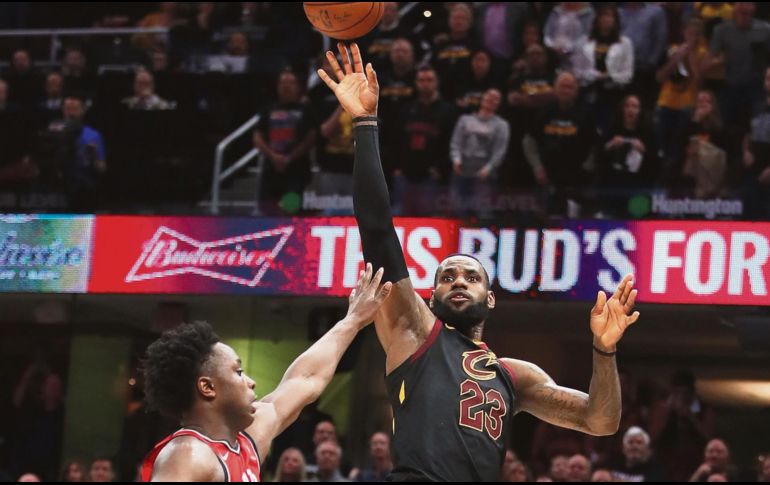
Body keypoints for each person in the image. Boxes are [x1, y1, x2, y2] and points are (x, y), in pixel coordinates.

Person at [317, 42, 641, 483]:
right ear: (431, 295)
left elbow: (599, 421)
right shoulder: (415, 331)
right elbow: (376, 229)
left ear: (490, 298)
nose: (458, 281)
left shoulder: (515, 376)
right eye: (447, 276)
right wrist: (365, 122)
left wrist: (604, 351)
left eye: (471, 277)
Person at [140, 265, 392, 481]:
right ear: (208, 387)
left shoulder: (247, 440)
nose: (251, 381)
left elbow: (304, 379)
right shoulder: (188, 454)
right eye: (238, 372)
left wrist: (353, 320)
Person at [392, 65, 456, 216]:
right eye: (421, 80)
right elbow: (396, 140)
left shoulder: (448, 111)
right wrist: (396, 167)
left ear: (437, 82)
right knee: (402, 219)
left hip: (431, 178)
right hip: (405, 176)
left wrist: (440, 169)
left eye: (429, 80)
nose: (425, 84)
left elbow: (452, 143)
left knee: (429, 219)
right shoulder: (407, 109)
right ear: (416, 83)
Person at [449, 87, 510, 217]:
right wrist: (456, 159)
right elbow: (456, 142)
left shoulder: (501, 125)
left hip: (484, 172)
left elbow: (499, 151)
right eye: (488, 96)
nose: (491, 100)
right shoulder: (465, 120)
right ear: (482, 98)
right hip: (463, 168)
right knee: (458, 209)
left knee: (483, 211)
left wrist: (488, 168)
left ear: (499, 103)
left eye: (495, 98)